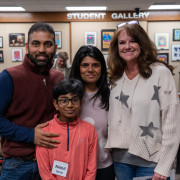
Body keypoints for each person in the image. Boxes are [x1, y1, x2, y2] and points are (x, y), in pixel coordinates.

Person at [105, 21, 180, 180]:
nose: (127, 46)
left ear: (142, 43)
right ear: (116, 48)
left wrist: (164, 166)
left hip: (152, 162)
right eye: (122, 42)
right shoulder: (115, 77)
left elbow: (171, 123)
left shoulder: (160, 73)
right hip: (121, 161)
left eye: (133, 41)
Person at [0, 22, 64, 179]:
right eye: (36, 44)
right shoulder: (9, 77)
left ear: (55, 48)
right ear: (27, 47)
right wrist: (31, 135)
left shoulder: (59, 78)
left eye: (47, 44)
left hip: (52, 162)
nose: (42, 49)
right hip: (18, 165)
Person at [36, 78, 98, 180]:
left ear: (80, 103)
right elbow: (44, 170)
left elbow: (91, 167)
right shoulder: (45, 130)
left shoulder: (89, 130)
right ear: (56, 104)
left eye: (74, 100)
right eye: (64, 100)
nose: (70, 105)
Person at [70, 45, 115, 180]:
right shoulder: (69, 96)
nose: (90, 70)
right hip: (74, 166)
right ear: (78, 67)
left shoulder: (111, 95)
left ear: (102, 68)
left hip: (104, 166)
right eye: (85, 65)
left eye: (95, 65)